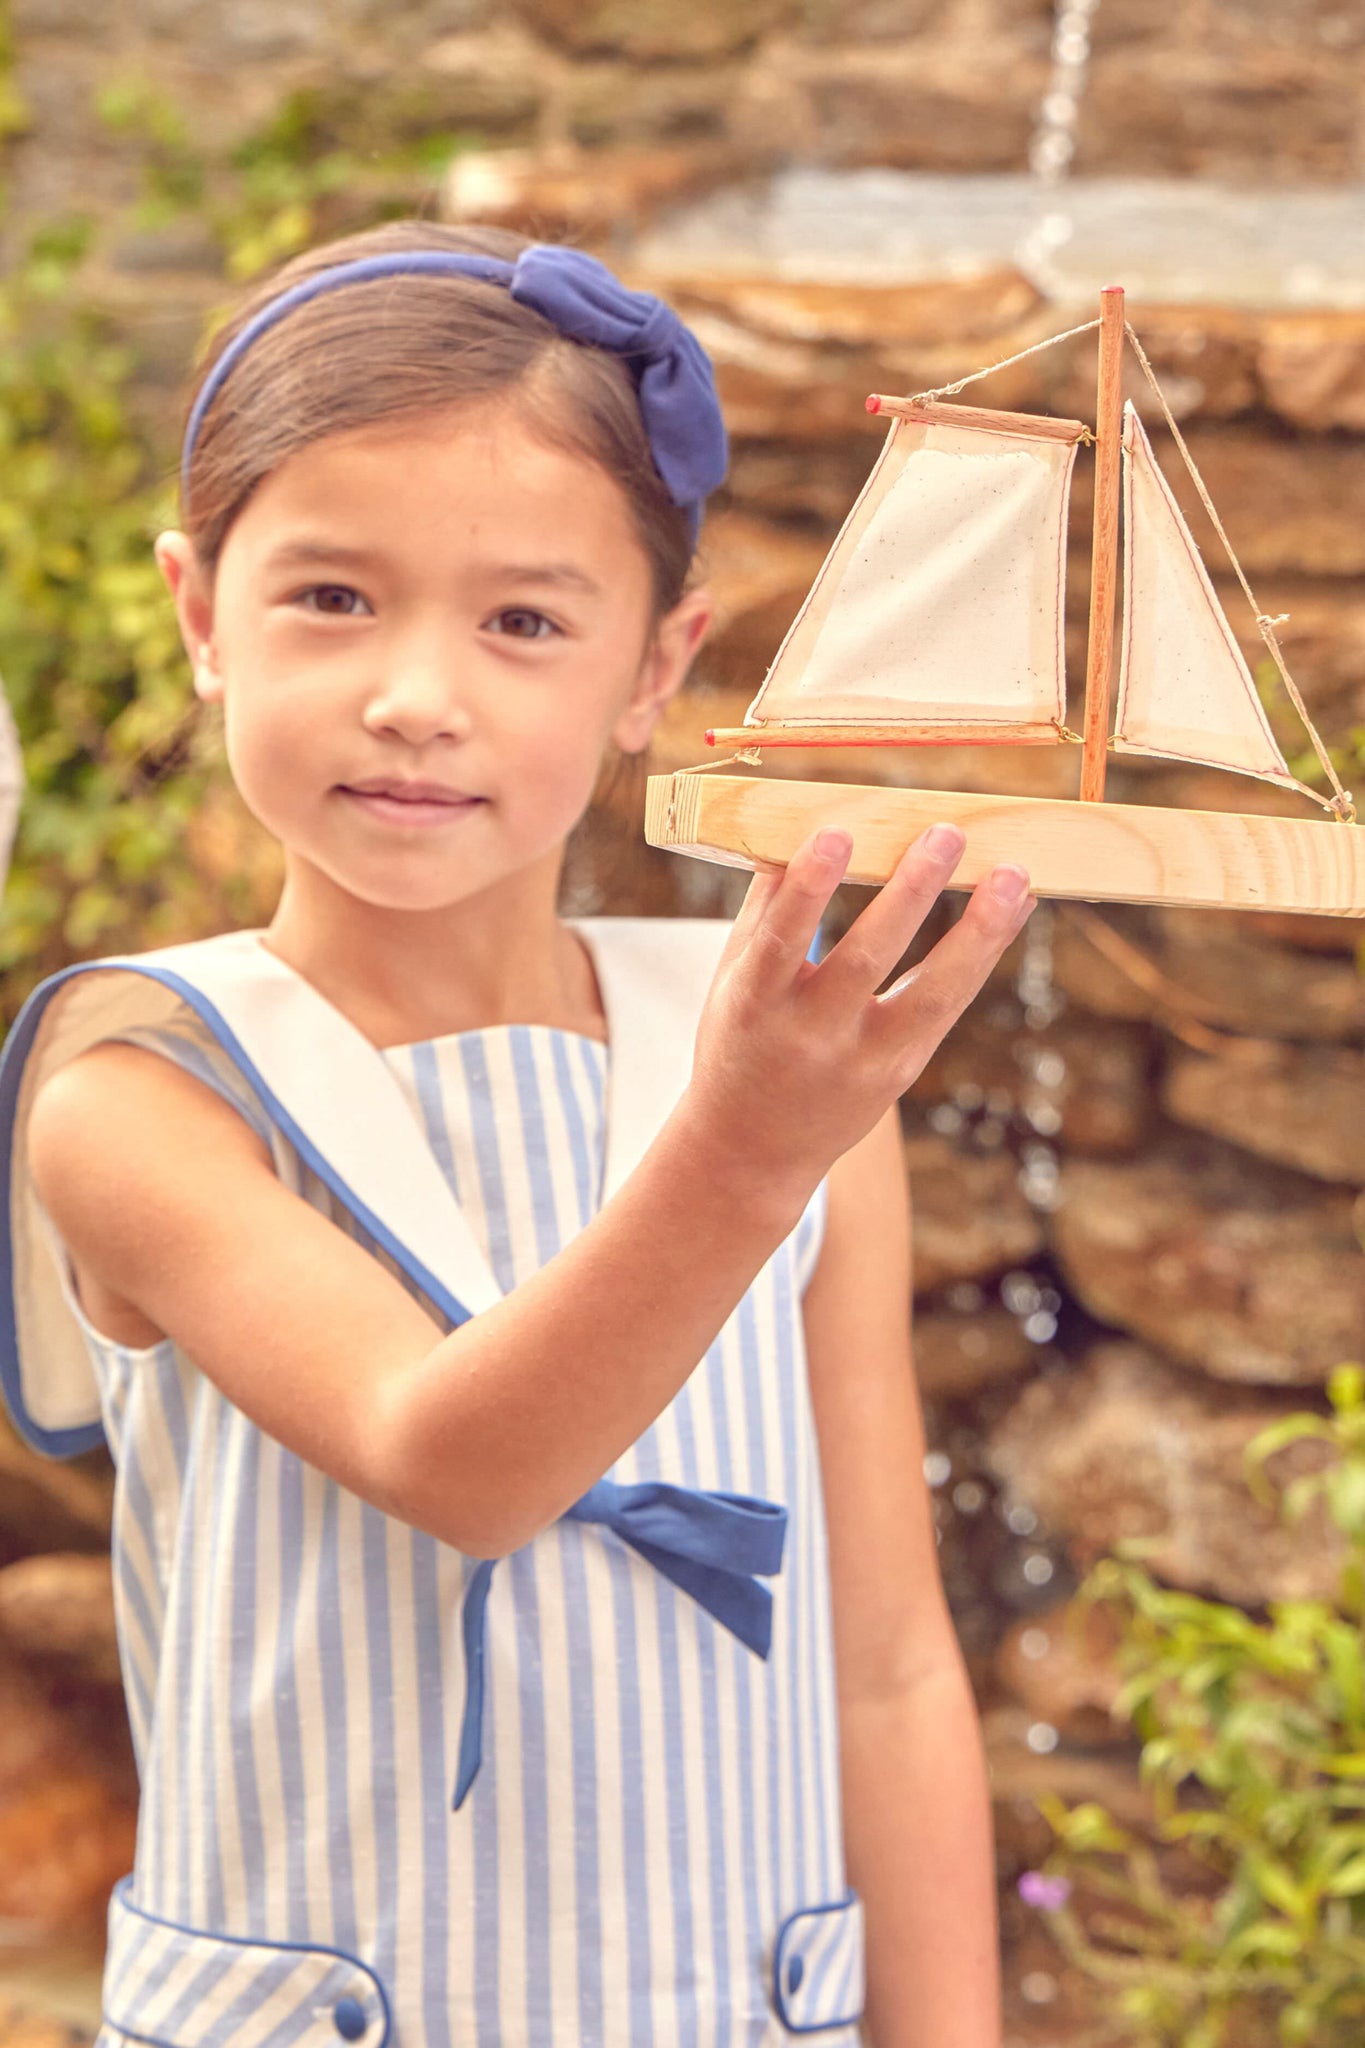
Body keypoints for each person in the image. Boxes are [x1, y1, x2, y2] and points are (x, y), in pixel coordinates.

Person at [0, 222, 1034, 2048]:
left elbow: (880, 1664)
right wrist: (743, 1154)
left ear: (655, 668)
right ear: (200, 614)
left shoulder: (770, 1067)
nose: (418, 694)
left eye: (525, 622)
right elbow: (454, 1460)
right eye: (332, 596)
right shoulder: (144, 1090)